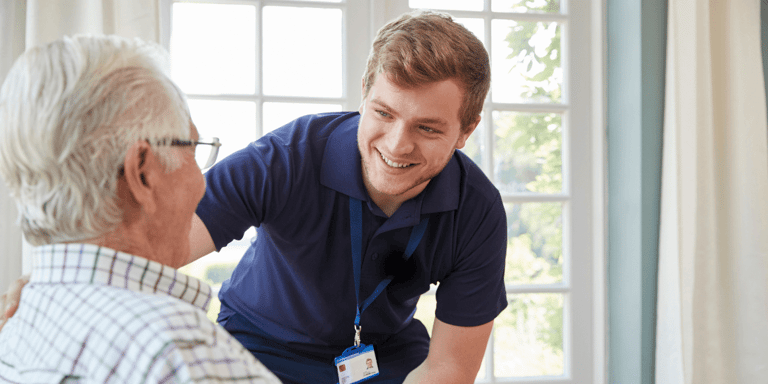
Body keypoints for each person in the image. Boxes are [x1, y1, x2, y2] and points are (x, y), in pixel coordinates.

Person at [2, 10, 508, 384]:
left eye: (427, 127)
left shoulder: (478, 208)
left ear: (466, 131)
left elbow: (449, 365)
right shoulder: (287, 157)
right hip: (261, 346)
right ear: (363, 93)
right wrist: (56, 284)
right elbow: (160, 238)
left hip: (380, 358)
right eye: (383, 113)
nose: (397, 144)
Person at [0, 34, 280, 383]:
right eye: (192, 148)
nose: (202, 181)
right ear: (142, 172)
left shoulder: (17, 322)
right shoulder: (182, 354)